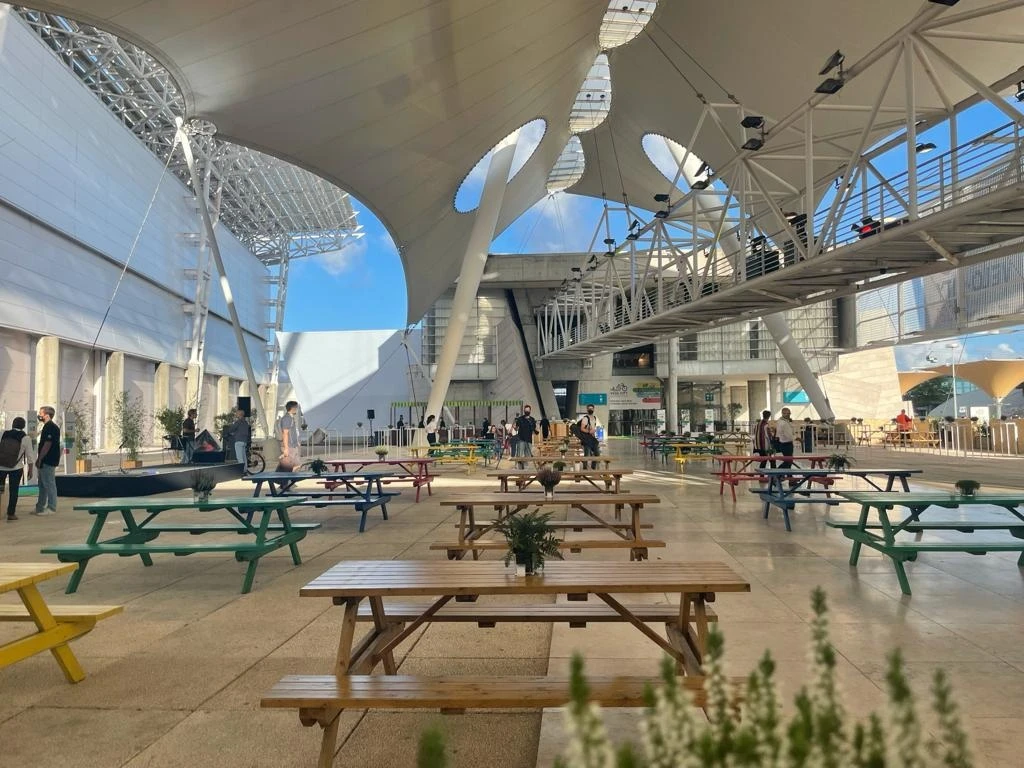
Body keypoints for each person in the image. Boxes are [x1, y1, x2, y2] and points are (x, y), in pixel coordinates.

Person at [0, 417, 35, 521]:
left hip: (1, 468)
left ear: (12, 424)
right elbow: (30, 456)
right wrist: (30, 470)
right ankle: (11, 514)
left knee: (0, 489)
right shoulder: (26, 438)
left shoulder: (3, 433)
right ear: (23, 426)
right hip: (16, 468)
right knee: (13, 491)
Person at [33, 406, 60, 516]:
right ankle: (40, 507)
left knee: (49, 483)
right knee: (42, 484)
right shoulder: (46, 426)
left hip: (49, 459)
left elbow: (47, 444)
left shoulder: (51, 427)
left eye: (41, 413)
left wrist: (40, 458)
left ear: (47, 415)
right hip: (44, 459)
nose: (39, 415)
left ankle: (51, 507)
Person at [774, 407, 795, 472]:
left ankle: (789, 476)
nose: (788, 415)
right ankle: (776, 473)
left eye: (789, 413)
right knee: (788, 461)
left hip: (785, 443)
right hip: (786, 444)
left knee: (789, 462)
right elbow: (788, 435)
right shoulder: (783, 423)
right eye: (787, 413)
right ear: (783, 413)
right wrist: (795, 438)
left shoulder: (782, 421)